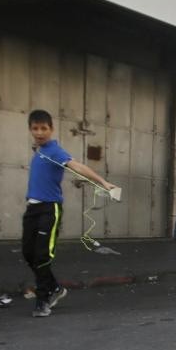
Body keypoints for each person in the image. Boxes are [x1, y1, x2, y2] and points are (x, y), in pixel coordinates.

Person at [23, 109, 117, 318]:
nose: (39, 133)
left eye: (44, 128)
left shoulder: (55, 150)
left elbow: (77, 166)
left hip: (49, 209)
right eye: (35, 128)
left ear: (51, 129)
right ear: (31, 130)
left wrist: (102, 182)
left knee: (41, 256)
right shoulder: (38, 151)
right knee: (28, 254)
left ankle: (43, 298)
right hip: (32, 209)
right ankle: (55, 288)